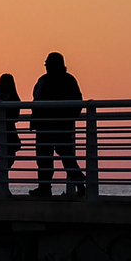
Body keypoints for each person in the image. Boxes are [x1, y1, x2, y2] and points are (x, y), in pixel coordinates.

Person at [31, 52, 86, 197]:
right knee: (63, 156)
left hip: (49, 126)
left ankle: (46, 187)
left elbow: (36, 100)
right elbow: (77, 102)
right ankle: (77, 182)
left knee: (47, 158)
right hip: (57, 125)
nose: (46, 66)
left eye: (48, 64)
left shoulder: (45, 80)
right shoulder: (68, 80)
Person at [0, 73, 23, 196]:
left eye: (8, 82)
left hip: (10, 130)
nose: (6, 84)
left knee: (10, 154)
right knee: (1, 156)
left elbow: (16, 115)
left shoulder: (14, 98)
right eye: (4, 82)